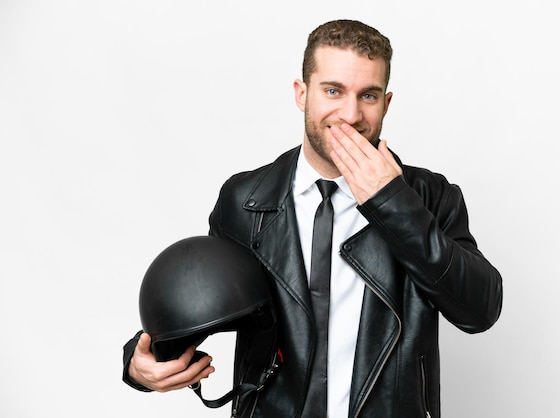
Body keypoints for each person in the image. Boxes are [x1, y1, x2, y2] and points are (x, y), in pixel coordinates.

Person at [122, 19, 503, 418]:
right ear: (302, 94)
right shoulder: (245, 201)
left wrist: (392, 202)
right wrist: (140, 360)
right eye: (333, 90)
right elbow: (199, 301)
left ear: (386, 104)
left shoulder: (430, 196)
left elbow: (480, 309)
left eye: (368, 95)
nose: (351, 114)